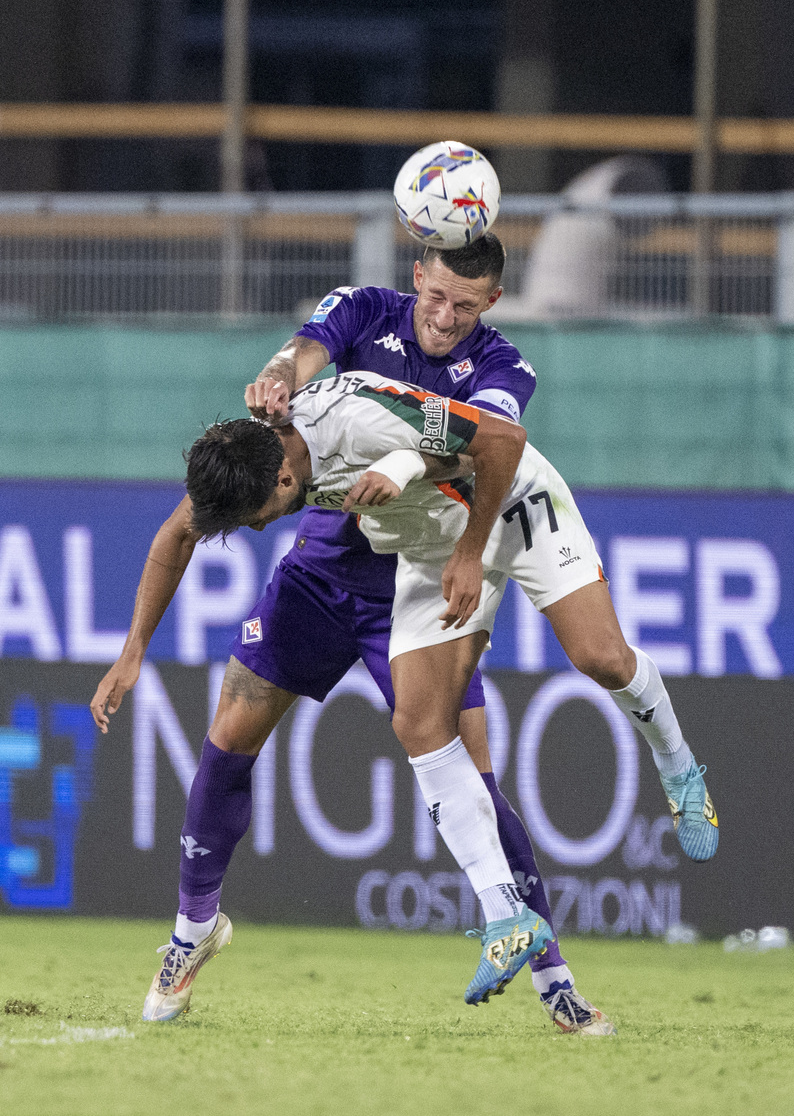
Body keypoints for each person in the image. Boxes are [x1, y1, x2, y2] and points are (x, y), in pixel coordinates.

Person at [91, 235, 613, 1034]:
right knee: (228, 736)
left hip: (419, 584)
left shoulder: (499, 369)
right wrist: (131, 652)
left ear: (487, 302)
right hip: (320, 580)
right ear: (416, 278)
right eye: (433, 296)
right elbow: (187, 520)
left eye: (460, 302)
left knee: (470, 777)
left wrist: (472, 551)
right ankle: (191, 935)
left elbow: (498, 447)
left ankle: (554, 979)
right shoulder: (359, 322)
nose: (443, 314)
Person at [180, 371, 718, 1010]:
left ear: (284, 482)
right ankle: (505, 917)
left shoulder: (357, 420)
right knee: (418, 724)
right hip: (431, 546)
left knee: (601, 658)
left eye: (258, 516)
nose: (261, 527)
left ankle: (677, 762)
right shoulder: (264, 448)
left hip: (510, 505)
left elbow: (501, 441)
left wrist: (459, 534)